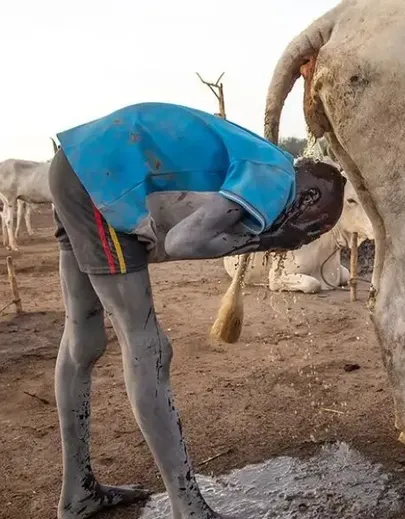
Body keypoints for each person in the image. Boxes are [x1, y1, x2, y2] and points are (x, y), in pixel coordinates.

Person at [49, 102, 345, 519]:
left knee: (83, 339)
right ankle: (188, 506)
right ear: (311, 197)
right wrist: (271, 239)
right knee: (148, 347)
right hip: (103, 181)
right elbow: (181, 243)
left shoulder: (267, 163)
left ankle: (76, 493)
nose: (306, 238)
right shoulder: (277, 177)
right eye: (315, 227)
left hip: (82, 164)